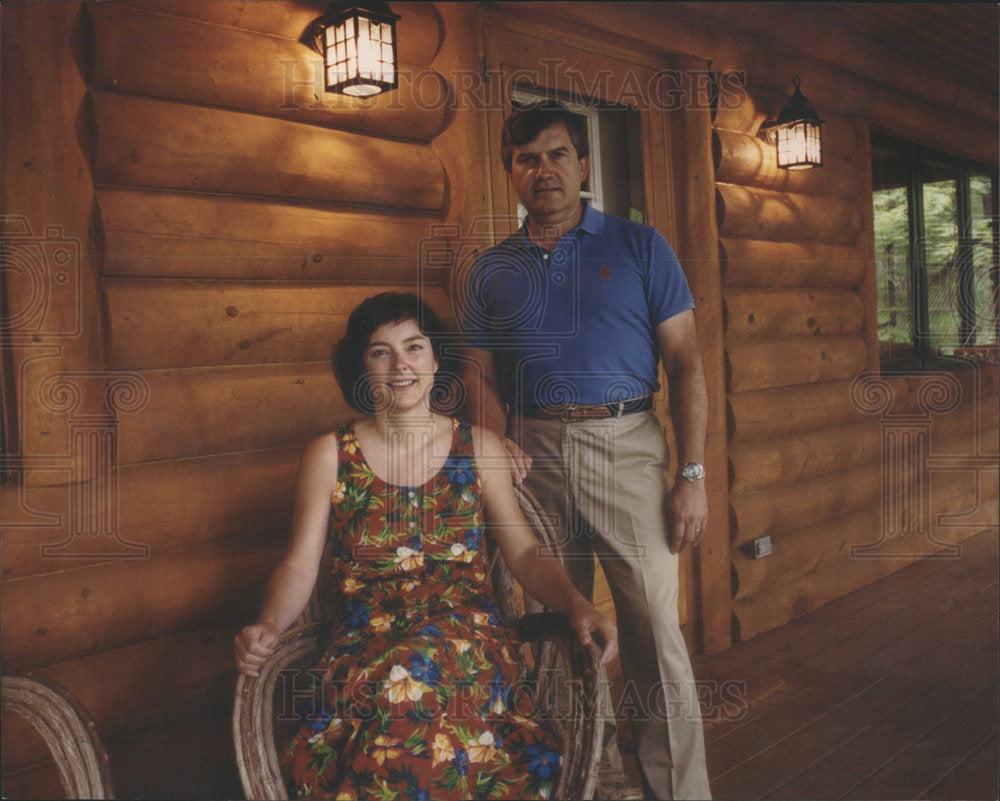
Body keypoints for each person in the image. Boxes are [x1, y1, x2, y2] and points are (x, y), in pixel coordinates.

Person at [234, 292, 618, 800]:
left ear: (436, 359)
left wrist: (577, 604)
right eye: (380, 352)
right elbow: (299, 565)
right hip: (365, 647)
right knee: (401, 691)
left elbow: (524, 551)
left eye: (414, 347)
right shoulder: (329, 455)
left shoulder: (478, 446)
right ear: (360, 367)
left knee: (416, 682)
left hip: (469, 644)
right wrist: (267, 624)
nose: (400, 365)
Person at [459, 100, 711, 800]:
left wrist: (691, 473)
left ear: (584, 164)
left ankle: (675, 791)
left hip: (628, 444)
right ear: (510, 172)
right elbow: (476, 372)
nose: (545, 170)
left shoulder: (639, 245)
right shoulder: (490, 270)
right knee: (557, 623)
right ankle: (588, 775)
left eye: (558, 154)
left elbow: (687, 362)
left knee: (653, 627)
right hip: (530, 453)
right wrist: (496, 436)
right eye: (527, 159)